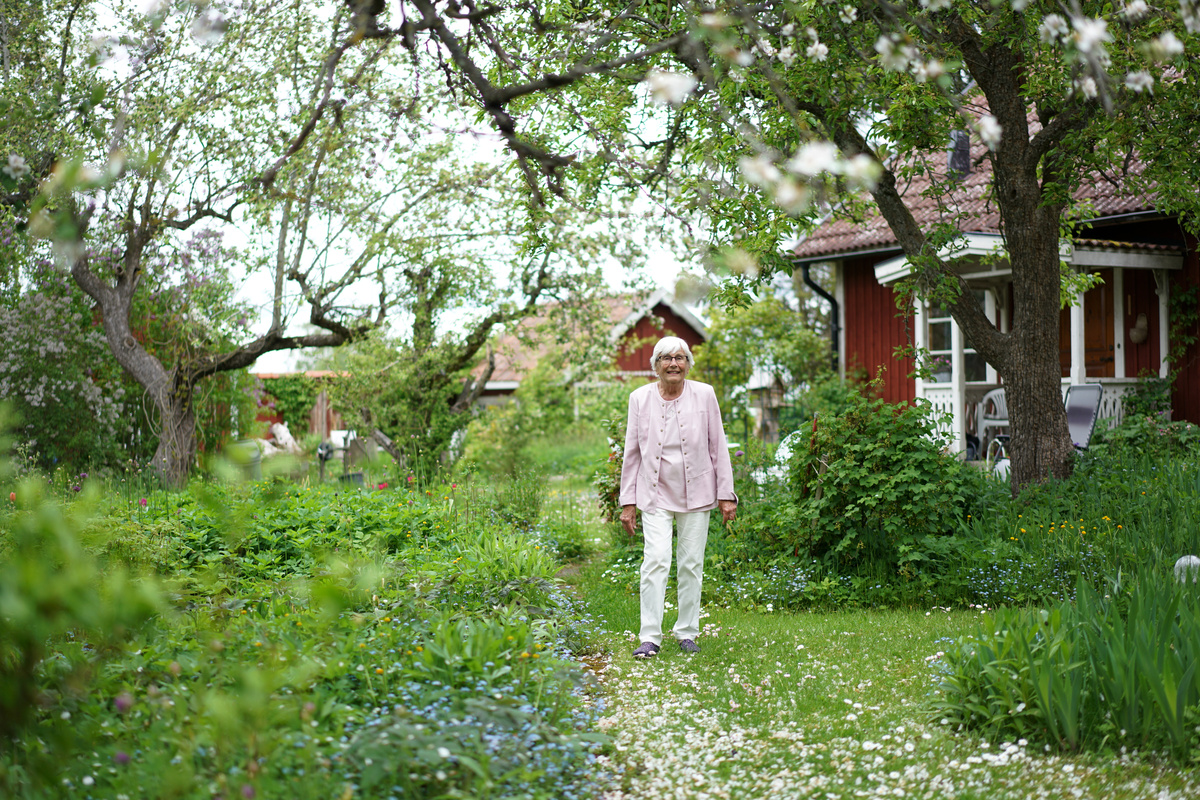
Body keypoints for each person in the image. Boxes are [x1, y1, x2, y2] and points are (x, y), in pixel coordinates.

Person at [619, 336, 737, 657]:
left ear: (687, 364)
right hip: (654, 492)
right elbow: (632, 453)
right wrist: (628, 502)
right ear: (655, 365)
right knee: (655, 561)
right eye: (666, 358)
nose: (674, 364)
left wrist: (726, 494)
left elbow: (718, 445)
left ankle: (686, 632)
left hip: (697, 492)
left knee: (691, 564)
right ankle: (650, 637)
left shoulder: (705, 394)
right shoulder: (639, 398)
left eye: (680, 358)